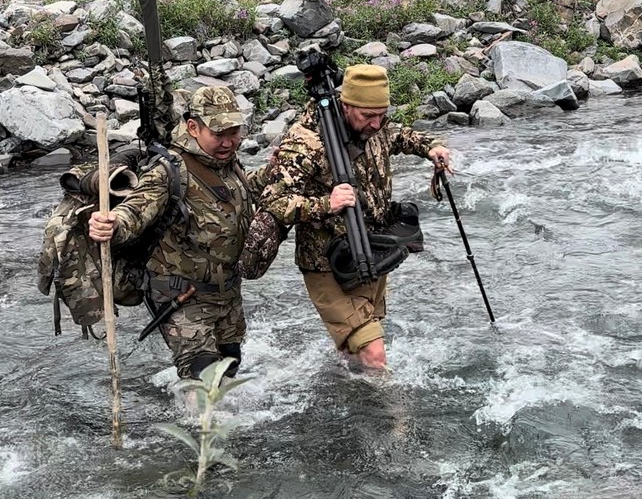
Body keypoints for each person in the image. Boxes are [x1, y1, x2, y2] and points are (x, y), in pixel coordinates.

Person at [258, 63, 452, 370]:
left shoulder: (375, 124)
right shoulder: (306, 141)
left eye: (381, 114)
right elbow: (273, 198)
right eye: (367, 116)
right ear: (347, 105)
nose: (376, 124)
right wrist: (325, 204)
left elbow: (397, 135)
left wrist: (431, 148)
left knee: (357, 352)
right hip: (328, 263)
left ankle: (350, 406)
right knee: (374, 354)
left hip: (371, 251)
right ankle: (396, 418)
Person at [88, 86, 253, 380]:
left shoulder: (228, 164)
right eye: (219, 134)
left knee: (230, 365)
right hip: (183, 296)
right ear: (193, 127)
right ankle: (197, 425)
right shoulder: (169, 171)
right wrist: (112, 224)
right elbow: (137, 209)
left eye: (234, 132)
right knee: (203, 376)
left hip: (227, 294)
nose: (229, 142)